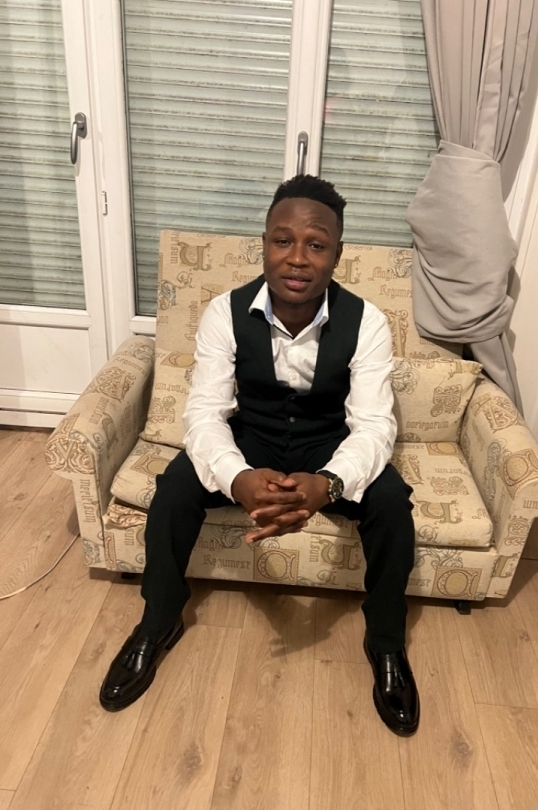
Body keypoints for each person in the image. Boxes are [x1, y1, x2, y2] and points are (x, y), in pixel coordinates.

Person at [100, 175, 419, 736]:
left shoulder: (368, 322)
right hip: (252, 436)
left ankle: (386, 639)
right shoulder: (222, 313)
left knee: (392, 502)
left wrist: (328, 484)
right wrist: (238, 478)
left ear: (337, 254)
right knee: (174, 488)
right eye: (282, 240)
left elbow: (374, 426)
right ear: (264, 244)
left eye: (316, 244)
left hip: (327, 440)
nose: (297, 258)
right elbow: (204, 413)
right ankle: (159, 619)